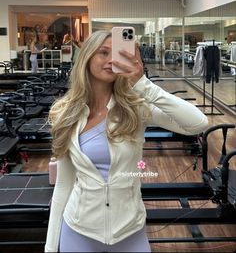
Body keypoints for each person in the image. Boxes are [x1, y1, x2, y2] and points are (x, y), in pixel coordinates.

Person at [45, 30, 208, 253]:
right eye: (103, 52)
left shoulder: (136, 108)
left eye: (118, 53)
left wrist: (144, 85)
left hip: (129, 230)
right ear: (87, 57)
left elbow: (197, 123)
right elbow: (64, 185)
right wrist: (50, 247)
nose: (111, 59)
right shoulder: (64, 113)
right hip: (78, 229)